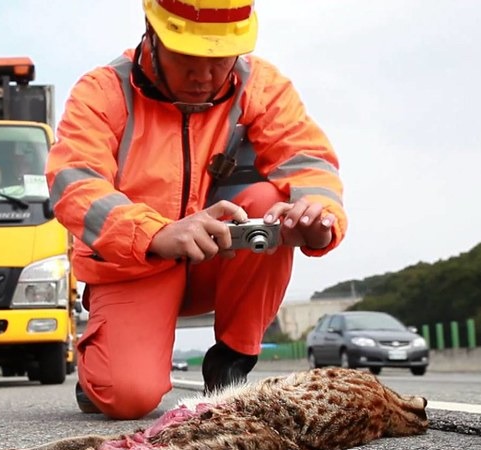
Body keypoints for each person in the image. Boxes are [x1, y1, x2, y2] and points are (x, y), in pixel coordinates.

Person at [46, 0, 347, 419]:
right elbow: (73, 182)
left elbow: (307, 158)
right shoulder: (104, 91)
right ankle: (102, 363)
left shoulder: (258, 85)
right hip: (133, 264)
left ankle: (232, 362)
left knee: (267, 206)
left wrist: (320, 213)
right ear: (151, 31)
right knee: (128, 397)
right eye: (187, 56)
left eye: (219, 59)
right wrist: (154, 234)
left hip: (215, 257)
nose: (203, 75)